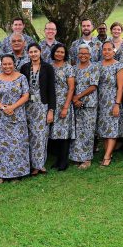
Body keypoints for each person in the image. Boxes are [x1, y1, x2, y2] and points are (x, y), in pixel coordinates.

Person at [0, 54, 30, 183]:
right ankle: (2, 174)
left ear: (14, 64)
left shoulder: (21, 78)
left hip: (17, 117)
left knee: (17, 145)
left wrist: (13, 106)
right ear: (1, 65)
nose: (7, 66)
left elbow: (26, 95)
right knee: (1, 146)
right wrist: (2, 107)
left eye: (9, 64)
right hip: (1, 118)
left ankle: (16, 174)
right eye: (4, 64)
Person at [21, 43, 56, 175]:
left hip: (42, 106)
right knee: (29, 135)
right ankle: (30, 164)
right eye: (31, 52)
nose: (33, 54)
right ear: (28, 53)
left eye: (36, 51)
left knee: (41, 135)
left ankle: (39, 165)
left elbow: (52, 90)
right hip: (27, 106)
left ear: (40, 52)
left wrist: (51, 110)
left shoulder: (48, 68)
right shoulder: (24, 67)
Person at [69, 44, 100, 169]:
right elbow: (70, 86)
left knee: (87, 131)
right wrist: (74, 99)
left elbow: (93, 86)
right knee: (77, 131)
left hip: (89, 104)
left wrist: (78, 97)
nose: (83, 55)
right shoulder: (73, 68)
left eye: (85, 53)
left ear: (90, 55)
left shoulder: (94, 67)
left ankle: (87, 159)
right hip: (75, 103)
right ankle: (77, 157)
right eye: (81, 53)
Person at [97, 41, 123, 166]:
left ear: (114, 51)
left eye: (109, 49)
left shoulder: (118, 66)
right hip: (99, 100)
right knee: (104, 129)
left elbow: (120, 87)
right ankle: (108, 153)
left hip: (112, 100)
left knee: (112, 129)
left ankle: (107, 156)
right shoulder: (97, 65)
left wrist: (117, 103)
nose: (107, 52)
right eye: (104, 49)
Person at [50, 43, 76, 171]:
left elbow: (71, 88)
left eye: (62, 52)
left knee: (64, 133)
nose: (59, 54)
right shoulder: (49, 66)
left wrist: (66, 107)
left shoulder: (68, 67)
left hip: (64, 102)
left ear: (65, 54)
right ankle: (57, 159)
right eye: (57, 51)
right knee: (54, 133)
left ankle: (64, 161)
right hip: (52, 103)